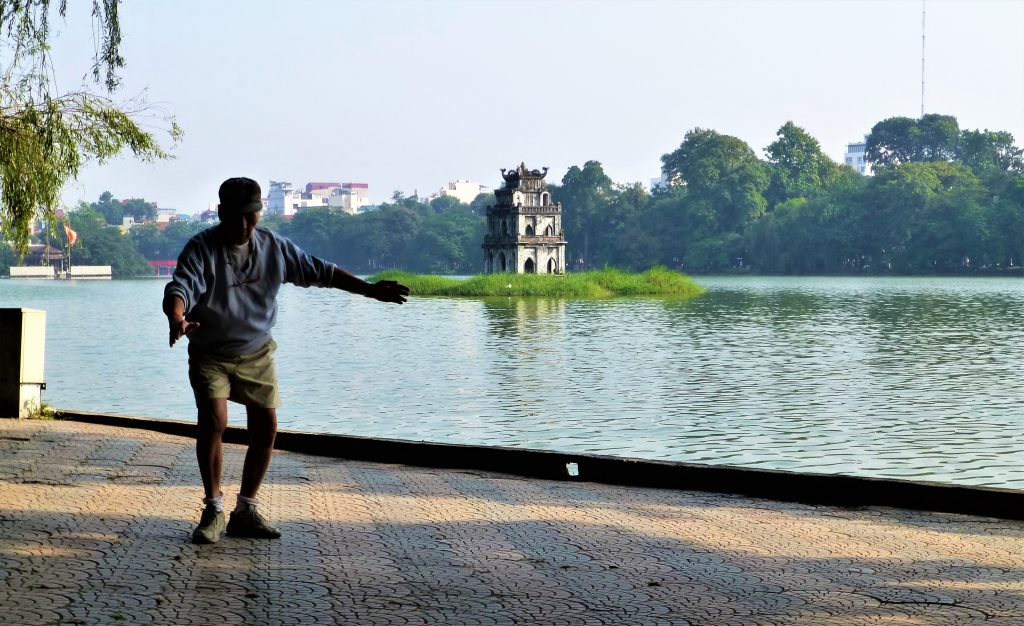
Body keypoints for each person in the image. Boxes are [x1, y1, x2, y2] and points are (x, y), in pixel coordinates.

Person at [162, 177, 409, 544]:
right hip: (210, 350)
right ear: (220, 213)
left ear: (259, 213)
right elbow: (179, 288)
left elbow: (321, 271)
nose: (244, 226)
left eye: (251, 217)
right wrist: (177, 318)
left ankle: (245, 509)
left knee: (266, 425)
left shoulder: (274, 247)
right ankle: (212, 508)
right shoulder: (202, 248)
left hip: (257, 349)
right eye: (236, 217)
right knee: (214, 420)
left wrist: (369, 290)